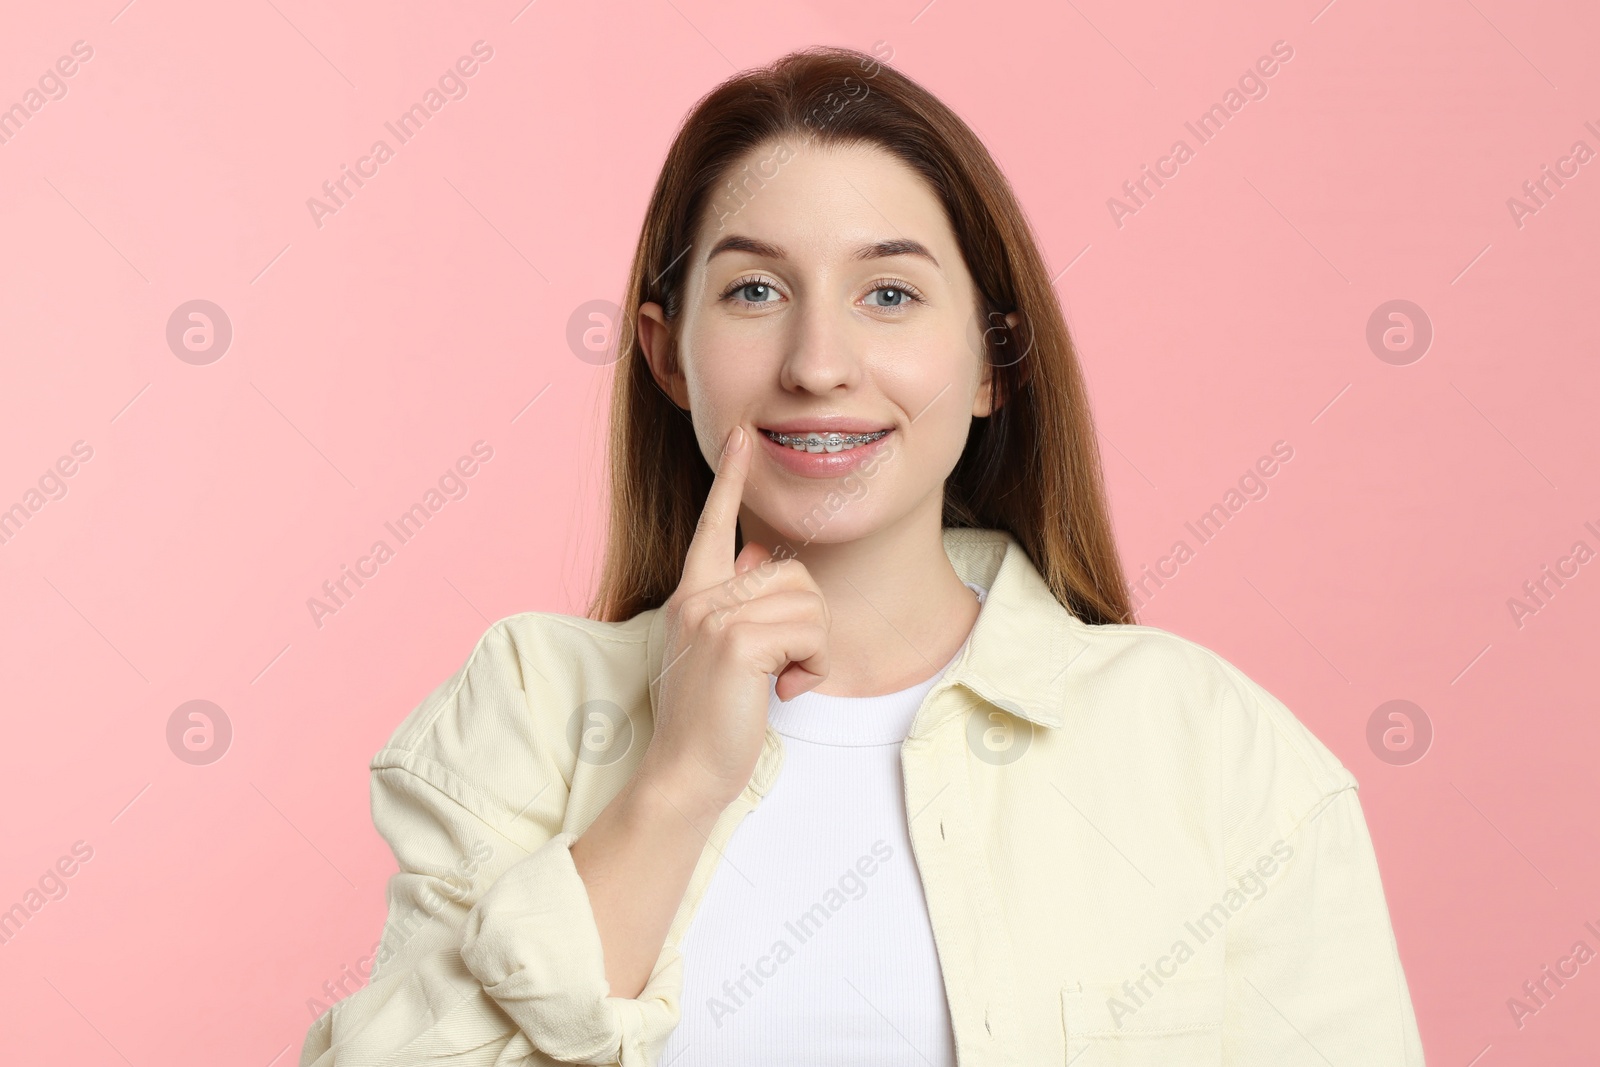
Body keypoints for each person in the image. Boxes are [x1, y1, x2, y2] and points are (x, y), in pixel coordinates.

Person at [299, 44, 1425, 1066]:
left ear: (992, 362)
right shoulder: (527, 705)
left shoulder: (1207, 746)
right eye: (753, 291)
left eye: (888, 293)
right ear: (667, 355)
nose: (819, 361)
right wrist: (678, 781)